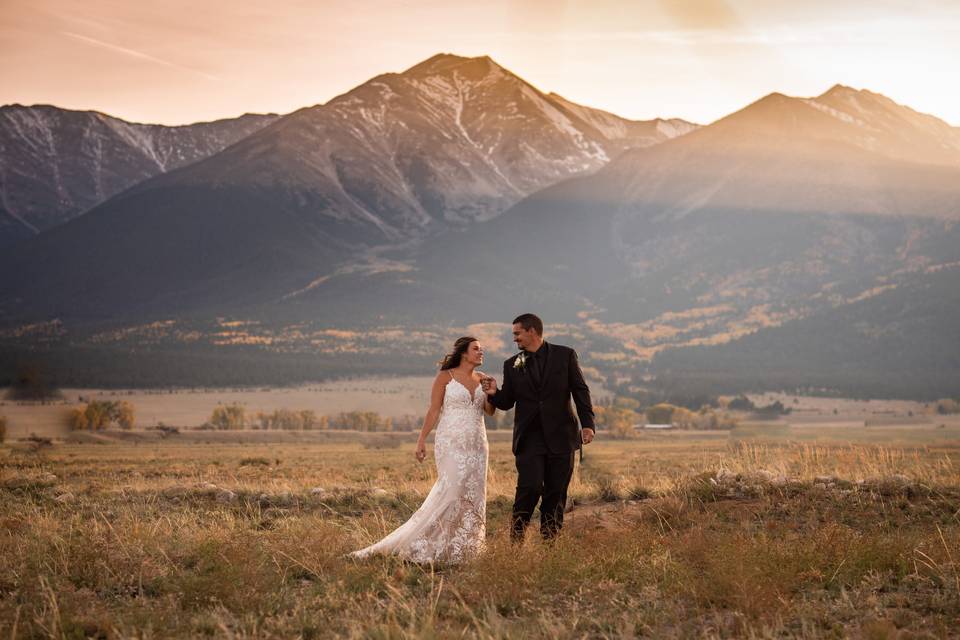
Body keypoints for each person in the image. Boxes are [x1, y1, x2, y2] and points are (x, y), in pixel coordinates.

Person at [348, 337, 494, 564]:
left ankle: (463, 548)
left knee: (473, 496)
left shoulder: (484, 379)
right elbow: (434, 411)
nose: (481, 352)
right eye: (476, 349)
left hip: (477, 445)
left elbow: (489, 411)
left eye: (481, 349)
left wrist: (492, 393)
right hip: (451, 443)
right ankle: (425, 543)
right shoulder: (446, 377)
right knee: (452, 491)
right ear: (464, 353)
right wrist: (421, 440)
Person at [480, 313, 595, 541]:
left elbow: (580, 390)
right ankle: (516, 540)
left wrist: (588, 424)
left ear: (531, 331)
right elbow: (507, 402)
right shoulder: (511, 364)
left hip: (561, 436)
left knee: (556, 493)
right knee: (529, 488)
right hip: (529, 439)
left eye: (517, 333)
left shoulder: (565, 355)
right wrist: (494, 394)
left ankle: (548, 544)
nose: (515, 339)